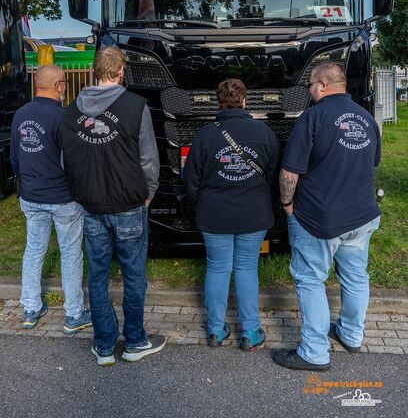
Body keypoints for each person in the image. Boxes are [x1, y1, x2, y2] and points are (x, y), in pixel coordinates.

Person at [59, 46, 165, 366]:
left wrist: (81, 192)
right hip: (129, 204)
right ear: (121, 71)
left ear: (94, 71)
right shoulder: (135, 106)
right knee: (134, 274)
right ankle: (134, 341)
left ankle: (104, 345)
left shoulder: (70, 112)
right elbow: (148, 157)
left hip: (91, 205)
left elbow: (67, 161)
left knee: (98, 273)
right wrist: (149, 193)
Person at [272, 62, 382, 371]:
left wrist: (287, 205)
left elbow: (290, 171)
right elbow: (372, 162)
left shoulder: (313, 117)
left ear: (322, 85)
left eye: (309, 85)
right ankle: (350, 334)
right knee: (356, 276)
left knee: (309, 279)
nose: (308, 91)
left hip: (320, 219)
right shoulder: (366, 117)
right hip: (361, 217)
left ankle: (314, 352)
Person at [184, 79, 280, 351]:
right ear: (245, 101)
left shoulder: (205, 135)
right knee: (246, 267)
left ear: (219, 102)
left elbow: (191, 179)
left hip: (214, 215)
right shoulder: (263, 132)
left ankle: (215, 330)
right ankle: (250, 332)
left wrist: (201, 202)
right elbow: (275, 175)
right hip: (254, 214)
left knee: (217, 267)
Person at [10, 65, 91, 334]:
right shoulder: (63, 116)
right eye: (64, 83)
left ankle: (30, 309)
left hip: (31, 195)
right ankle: (74, 314)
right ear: (58, 86)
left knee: (34, 250)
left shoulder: (20, 115)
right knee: (70, 253)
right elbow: (73, 161)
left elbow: (14, 157)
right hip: (63, 197)